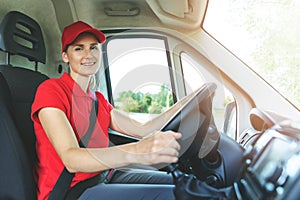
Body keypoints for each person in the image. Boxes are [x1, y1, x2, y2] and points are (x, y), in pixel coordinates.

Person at [31, 21, 192, 200]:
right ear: (65, 56)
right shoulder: (51, 90)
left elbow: (143, 128)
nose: (88, 54)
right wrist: (137, 151)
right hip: (72, 191)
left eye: (93, 48)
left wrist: (188, 102)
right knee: (173, 196)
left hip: (104, 176)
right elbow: (71, 159)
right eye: (79, 49)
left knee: (185, 185)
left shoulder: (98, 99)